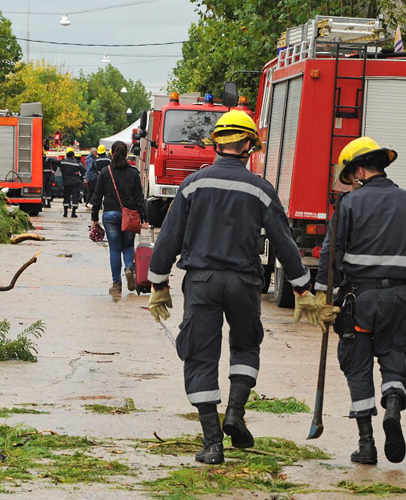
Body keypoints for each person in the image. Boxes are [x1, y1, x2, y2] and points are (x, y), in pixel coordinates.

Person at [145, 110, 319, 465]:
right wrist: (302, 288)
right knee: (245, 346)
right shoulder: (260, 188)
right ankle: (236, 413)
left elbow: (169, 237)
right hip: (244, 282)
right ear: (249, 146)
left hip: (202, 282)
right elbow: (284, 242)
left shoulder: (192, 184)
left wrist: (158, 282)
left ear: (216, 144)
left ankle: (212, 444)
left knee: (199, 356)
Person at [309, 136, 406, 465]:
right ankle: (393, 406)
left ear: (358, 171)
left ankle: (366, 443)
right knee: (394, 355)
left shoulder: (349, 205)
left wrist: (322, 295)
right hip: (399, 298)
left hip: (358, 299)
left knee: (356, 363)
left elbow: (332, 252)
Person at [91, 141, 147, 293]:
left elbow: (97, 196)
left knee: (114, 249)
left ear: (112, 153)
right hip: (129, 215)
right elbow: (139, 197)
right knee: (128, 246)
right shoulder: (133, 173)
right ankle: (129, 268)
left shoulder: (105, 172)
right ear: (127, 153)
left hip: (110, 215)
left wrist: (94, 218)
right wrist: (144, 218)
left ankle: (117, 284)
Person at [56, 148, 86, 218]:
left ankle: (65, 213)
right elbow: (84, 170)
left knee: (66, 196)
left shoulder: (63, 162)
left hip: (66, 183)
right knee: (75, 197)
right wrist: (77, 173)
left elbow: (54, 161)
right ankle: (73, 213)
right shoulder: (76, 164)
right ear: (73, 156)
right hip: (75, 183)